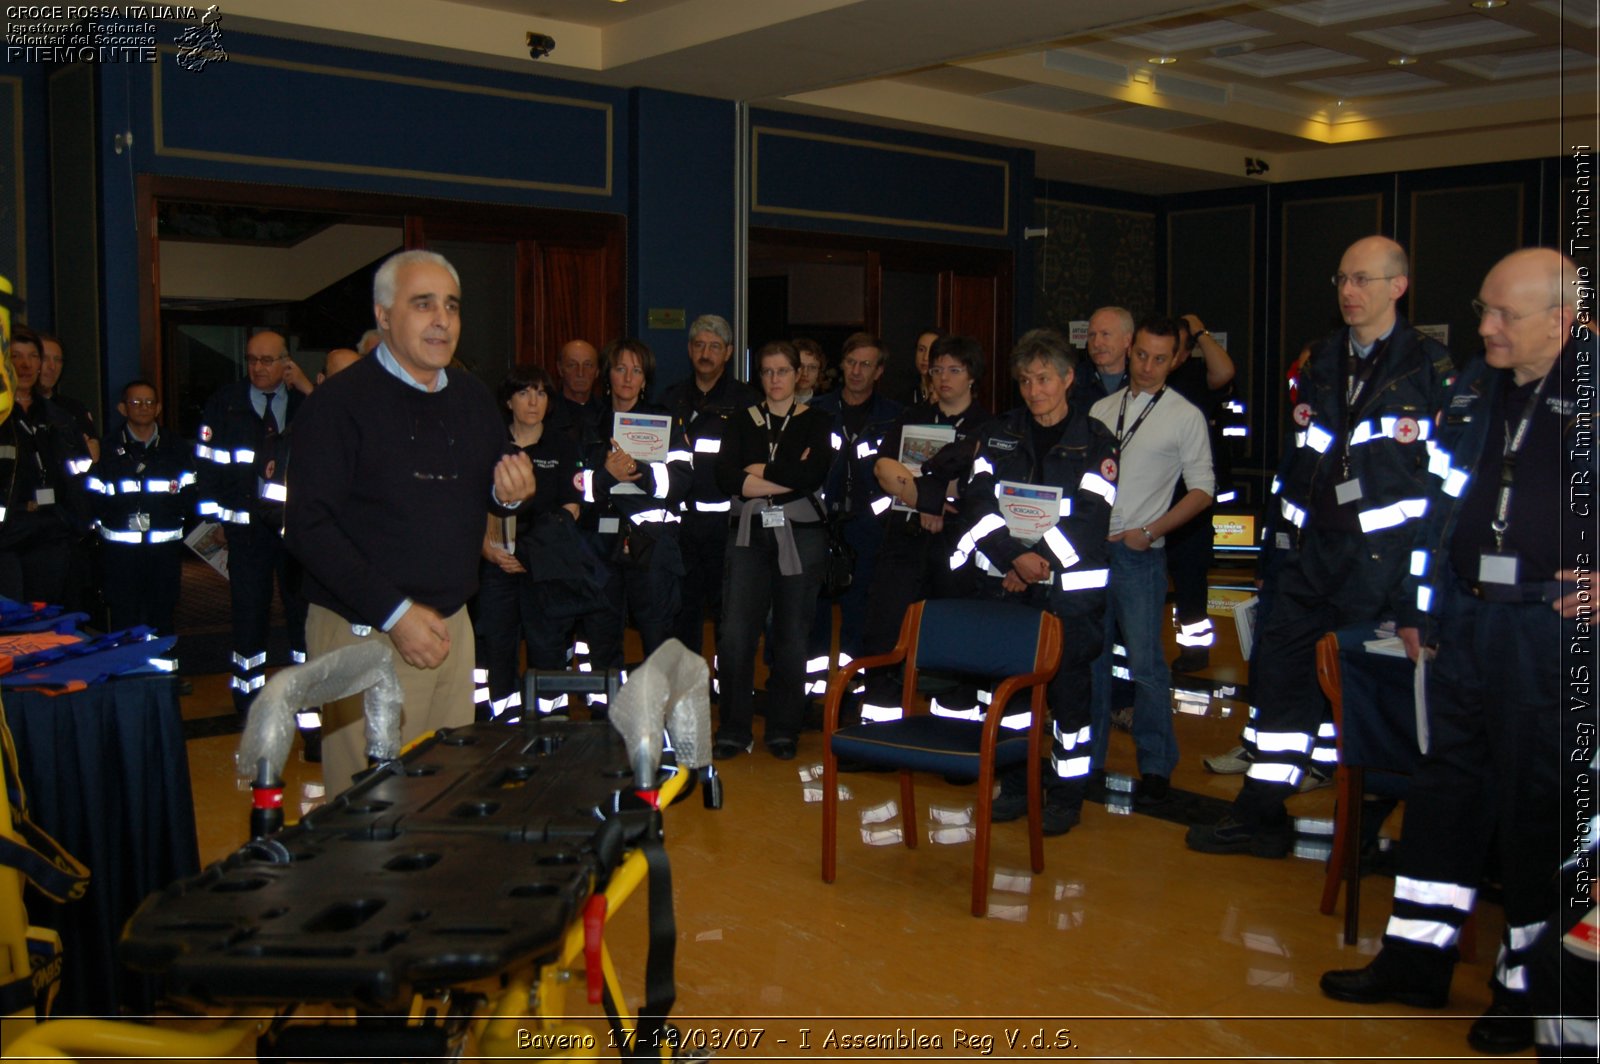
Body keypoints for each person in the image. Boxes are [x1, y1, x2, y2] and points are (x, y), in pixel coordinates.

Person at [1319, 248, 1596, 1059]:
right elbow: (1435, 506)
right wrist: (1418, 604)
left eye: (1505, 314)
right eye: (1484, 310)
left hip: (1551, 633)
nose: (1486, 327)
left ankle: (1528, 988)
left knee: (1537, 812)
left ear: (1562, 318)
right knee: (1445, 797)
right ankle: (1415, 959)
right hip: (1465, 627)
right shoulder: (1475, 385)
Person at [1186, 235, 1455, 857]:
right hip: (1307, 559)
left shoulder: (1432, 367)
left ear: (1398, 286)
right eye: (1341, 279)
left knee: (1366, 700)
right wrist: (1279, 548)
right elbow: (1299, 459)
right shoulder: (1321, 359)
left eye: (1362, 279)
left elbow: (1443, 492)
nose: (1349, 292)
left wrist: (1417, 587)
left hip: (1381, 566)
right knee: (1279, 682)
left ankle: (1362, 823)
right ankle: (1260, 812)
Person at [285, 250, 535, 790]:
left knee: (445, 795)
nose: (442, 319)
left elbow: (492, 487)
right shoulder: (339, 405)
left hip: (452, 627)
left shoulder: (471, 398)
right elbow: (308, 526)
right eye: (423, 304)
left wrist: (510, 496)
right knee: (365, 811)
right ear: (383, 315)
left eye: (451, 305)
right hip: (367, 630)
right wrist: (395, 614)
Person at [955, 327, 1117, 835]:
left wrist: (1038, 562)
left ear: (1068, 379)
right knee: (1009, 696)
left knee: (1070, 697)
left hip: (1070, 592)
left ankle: (1067, 794)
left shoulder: (1096, 441)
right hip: (1005, 583)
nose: (1034, 390)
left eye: (1044, 378)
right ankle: (1016, 785)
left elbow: (1091, 520)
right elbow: (976, 503)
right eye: (1025, 380)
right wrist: (1010, 559)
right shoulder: (999, 434)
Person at [1087, 317, 1213, 804]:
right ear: (1130, 349)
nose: (1147, 366)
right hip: (1094, 554)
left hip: (1140, 557)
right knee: (1092, 662)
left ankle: (1157, 765)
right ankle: (1090, 760)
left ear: (1176, 360)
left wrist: (1151, 531)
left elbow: (1204, 490)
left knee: (1147, 667)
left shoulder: (1184, 415)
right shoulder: (1101, 408)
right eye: (1141, 355)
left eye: (1160, 359)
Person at [857, 334, 993, 721]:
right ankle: (879, 729)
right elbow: (884, 469)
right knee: (883, 629)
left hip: (958, 546)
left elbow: (973, 485)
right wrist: (930, 500)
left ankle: (954, 734)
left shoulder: (990, 427)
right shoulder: (911, 417)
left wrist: (921, 488)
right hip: (904, 539)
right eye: (937, 370)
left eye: (954, 370)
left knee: (957, 635)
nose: (943, 378)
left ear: (972, 377)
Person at [713, 340, 835, 761]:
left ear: (798, 374)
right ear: (759, 376)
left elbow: (812, 473)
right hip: (748, 535)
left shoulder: (817, 422)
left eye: (783, 371)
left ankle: (784, 729)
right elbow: (726, 476)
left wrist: (759, 470)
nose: (775, 380)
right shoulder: (739, 421)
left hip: (801, 536)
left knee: (791, 637)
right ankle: (733, 728)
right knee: (734, 636)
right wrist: (787, 475)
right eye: (767, 372)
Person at [196, 328, 308, 719]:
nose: (257, 368)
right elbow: (207, 465)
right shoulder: (225, 403)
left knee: (302, 617)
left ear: (286, 363)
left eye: (267, 360)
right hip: (246, 532)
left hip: (297, 533)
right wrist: (214, 519)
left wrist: (308, 389)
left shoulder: (304, 401)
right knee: (248, 617)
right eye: (251, 360)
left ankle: (304, 697)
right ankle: (248, 701)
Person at [574, 338, 691, 691]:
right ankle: (606, 717)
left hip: (652, 545)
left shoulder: (666, 422)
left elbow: (681, 483)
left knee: (658, 635)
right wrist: (608, 476)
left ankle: (659, 720)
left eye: (636, 371)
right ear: (607, 375)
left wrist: (639, 469)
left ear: (646, 379)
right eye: (620, 368)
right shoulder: (587, 425)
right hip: (599, 544)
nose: (627, 378)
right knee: (602, 634)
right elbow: (575, 488)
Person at [472, 365, 584, 720]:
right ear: (508, 400)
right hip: (496, 564)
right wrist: (485, 548)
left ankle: (550, 722)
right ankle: (503, 721)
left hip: (544, 567)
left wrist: (533, 554)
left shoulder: (563, 446)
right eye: (524, 393)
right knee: (497, 646)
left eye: (541, 393)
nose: (533, 401)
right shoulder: (489, 446)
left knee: (548, 646)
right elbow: (468, 504)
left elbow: (572, 506)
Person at [806, 334, 902, 699]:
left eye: (866, 364)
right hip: (820, 524)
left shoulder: (894, 417)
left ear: (878, 371)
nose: (856, 371)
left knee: (859, 616)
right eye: (851, 363)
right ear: (841, 365)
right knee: (813, 614)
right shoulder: (815, 411)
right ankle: (813, 695)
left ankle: (852, 690)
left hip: (869, 530)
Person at [662, 315, 760, 657]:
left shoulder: (747, 402)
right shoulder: (670, 399)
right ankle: (687, 691)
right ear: (690, 350)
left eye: (715, 346)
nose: (706, 353)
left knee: (728, 613)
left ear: (729, 352)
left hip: (727, 527)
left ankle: (726, 688)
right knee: (682, 612)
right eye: (700, 345)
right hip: (681, 526)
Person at [87, 379, 193, 635]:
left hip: (164, 553)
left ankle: (165, 673)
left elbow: (190, 493)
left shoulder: (177, 448)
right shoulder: (106, 449)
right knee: (125, 620)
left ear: (158, 408)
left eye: (149, 402)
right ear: (122, 408)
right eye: (135, 402)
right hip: (120, 555)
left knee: (163, 618)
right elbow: (93, 497)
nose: (143, 407)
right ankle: (128, 674)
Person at [1164, 314, 1237, 674]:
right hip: (1151, 498)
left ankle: (1194, 651)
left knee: (1191, 579)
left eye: (1180, 345)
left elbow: (1224, 373)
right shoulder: (1147, 380)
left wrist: (1201, 332)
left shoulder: (1195, 375)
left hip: (1192, 498)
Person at [0, 325, 91, 605]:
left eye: (33, 356)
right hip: (7, 530)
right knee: (11, 619)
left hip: (51, 527)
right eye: (16, 355)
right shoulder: (2, 415)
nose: (26, 364)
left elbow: (78, 473)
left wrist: (78, 521)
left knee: (45, 619)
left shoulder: (60, 418)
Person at [36, 333, 98, 461]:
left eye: (58, 360)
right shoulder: (14, 407)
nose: (52, 367)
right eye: (45, 358)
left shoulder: (74, 408)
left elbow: (93, 454)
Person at [1070, 307, 1134, 419]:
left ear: (1127, 340)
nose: (1097, 343)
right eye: (1092, 335)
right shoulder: (1073, 381)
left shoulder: (1140, 379)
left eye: (1105, 334)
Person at [550, 339, 604, 444]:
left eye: (588, 365)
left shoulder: (607, 414)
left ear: (597, 371)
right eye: (572, 365)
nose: (580, 373)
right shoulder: (546, 414)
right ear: (560, 369)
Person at [907, 327, 945, 405]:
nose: (925, 357)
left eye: (932, 350)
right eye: (921, 350)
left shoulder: (951, 395)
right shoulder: (903, 397)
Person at [794, 337, 825, 404]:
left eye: (812, 367)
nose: (805, 373)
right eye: (800, 366)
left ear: (818, 372)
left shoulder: (826, 405)